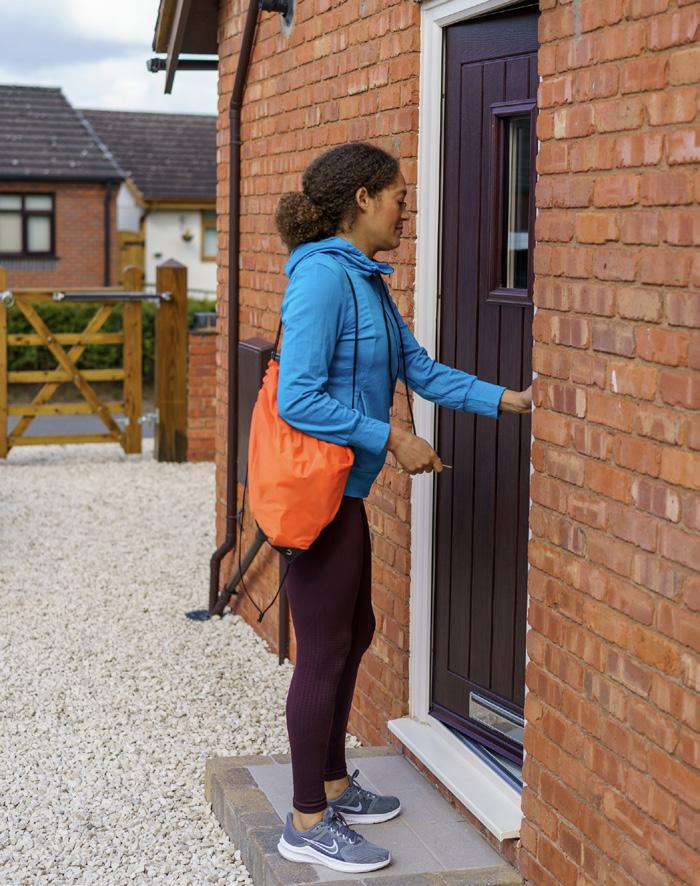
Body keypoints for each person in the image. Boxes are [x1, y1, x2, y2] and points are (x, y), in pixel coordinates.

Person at [272, 143, 532, 874]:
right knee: (324, 649)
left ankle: (331, 783)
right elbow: (297, 397)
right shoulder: (321, 278)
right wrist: (393, 437)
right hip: (317, 497)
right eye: (399, 198)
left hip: (344, 491)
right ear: (361, 198)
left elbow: (418, 369)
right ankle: (305, 820)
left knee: (355, 631)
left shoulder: (365, 280)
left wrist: (510, 401)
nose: (406, 212)